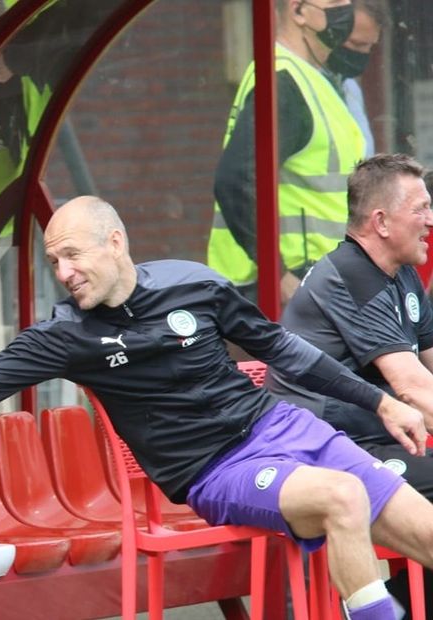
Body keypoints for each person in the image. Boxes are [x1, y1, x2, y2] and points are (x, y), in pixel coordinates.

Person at [0, 195, 433, 620]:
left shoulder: (196, 284)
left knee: (425, 532)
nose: (63, 271)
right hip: (215, 469)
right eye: (54, 261)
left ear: (115, 243)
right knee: (342, 499)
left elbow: (286, 352)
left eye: (73, 255)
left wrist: (380, 401)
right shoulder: (64, 337)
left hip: (285, 428)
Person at [268, 153, 433, 613]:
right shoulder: (352, 275)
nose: (431, 220)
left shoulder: (401, 276)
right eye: (420, 208)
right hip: (325, 451)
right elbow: (413, 388)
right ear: (380, 221)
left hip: (378, 440)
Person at [208, 0, 365, 305]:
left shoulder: (309, 79)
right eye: (335, 2)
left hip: (317, 279)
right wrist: (278, 274)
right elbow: (235, 180)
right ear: (298, 11)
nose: (346, 9)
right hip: (291, 286)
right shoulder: (283, 81)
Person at [330, 0, 387, 158]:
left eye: (369, 46)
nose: (363, 53)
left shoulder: (350, 88)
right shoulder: (300, 82)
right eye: (356, 44)